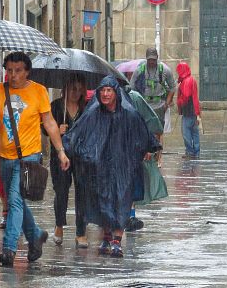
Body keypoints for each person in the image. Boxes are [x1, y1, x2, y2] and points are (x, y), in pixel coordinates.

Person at [0, 52, 69, 267]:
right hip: (5, 156)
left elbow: (48, 123)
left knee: (14, 200)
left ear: (27, 71)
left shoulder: (38, 91)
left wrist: (60, 151)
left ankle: (9, 249)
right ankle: (36, 235)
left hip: (29, 155)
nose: (13, 75)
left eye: (18, 70)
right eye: (9, 70)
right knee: (16, 201)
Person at [64, 76, 161, 257]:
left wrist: (149, 148)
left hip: (124, 166)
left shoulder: (129, 114)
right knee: (104, 200)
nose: (105, 94)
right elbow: (78, 132)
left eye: (109, 90)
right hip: (100, 167)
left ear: (116, 92)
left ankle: (117, 241)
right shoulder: (93, 113)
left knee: (121, 201)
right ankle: (107, 236)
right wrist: (67, 144)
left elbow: (143, 133)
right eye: (102, 90)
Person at [42, 73, 88, 248]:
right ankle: (59, 225)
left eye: (79, 89)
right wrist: (56, 130)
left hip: (82, 157)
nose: (76, 93)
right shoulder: (55, 107)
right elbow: (44, 127)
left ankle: (81, 232)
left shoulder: (87, 108)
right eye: (73, 89)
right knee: (61, 191)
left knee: (82, 192)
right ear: (65, 89)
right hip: (59, 156)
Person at [124, 86, 164, 232]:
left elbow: (150, 121)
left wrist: (149, 146)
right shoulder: (103, 99)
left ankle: (130, 216)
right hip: (114, 151)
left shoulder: (134, 98)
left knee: (132, 184)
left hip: (133, 150)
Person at [130, 47, 176, 166]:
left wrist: (167, 102)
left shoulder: (165, 70)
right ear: (146, 59)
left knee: (158, 132)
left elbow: (172, 87)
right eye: (149, 59)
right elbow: (132, 87)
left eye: (154, 59)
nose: (152, 62)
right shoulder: (140, 70)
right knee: (144, 130)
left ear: (157, 59)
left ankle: (158, 157)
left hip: (159, 105)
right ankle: (146, 154)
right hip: (144, 105)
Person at [176, 61, 201, 157]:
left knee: (186, 132)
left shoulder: (186, 81)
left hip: (188, 111)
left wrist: (179, 102)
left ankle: (190, 151)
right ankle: (197, 151)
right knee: (195, 132)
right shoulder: (191, 79)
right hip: (194, 110)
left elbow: (186, 96)